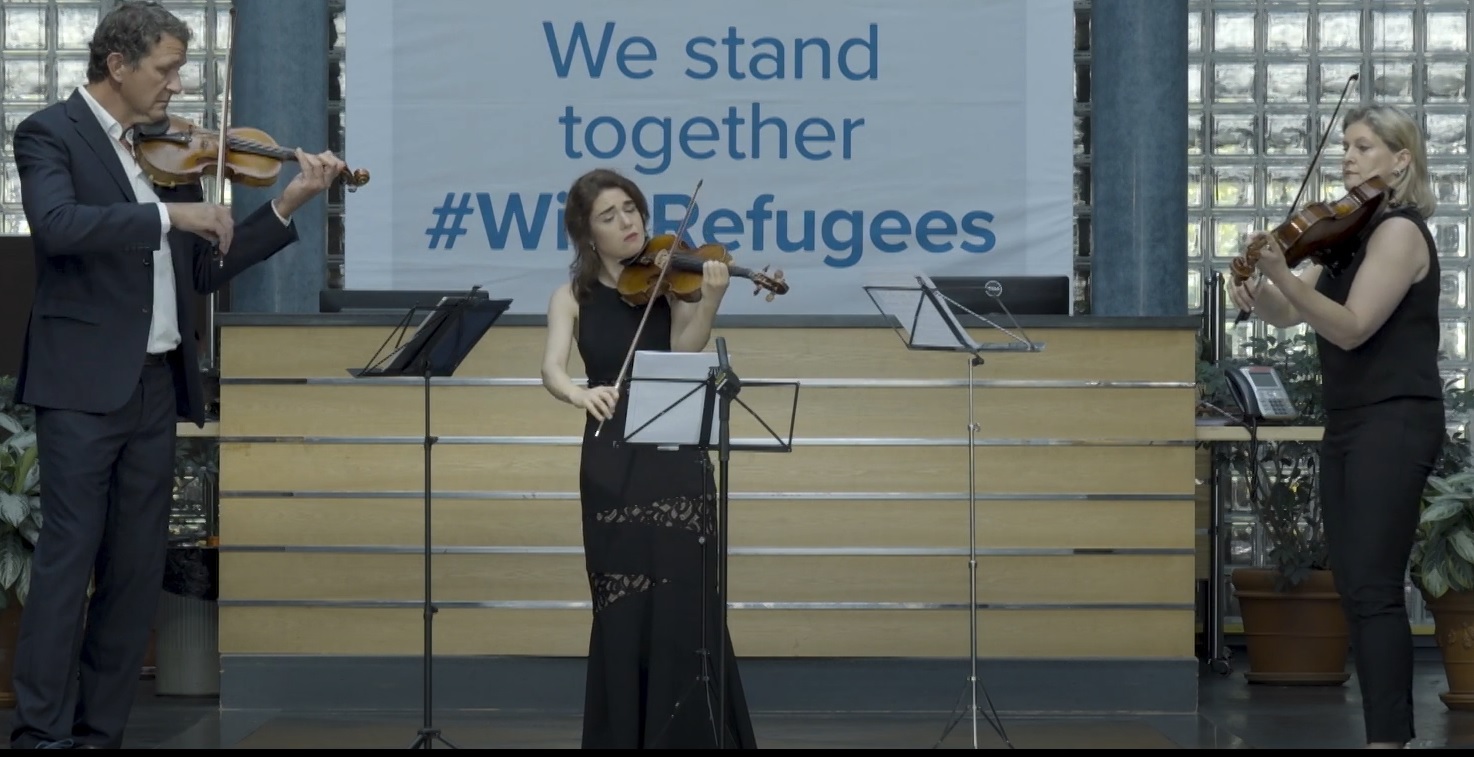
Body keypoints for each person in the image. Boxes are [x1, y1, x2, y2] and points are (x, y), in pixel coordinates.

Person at [8, 1, 346, 750]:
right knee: (67, 565)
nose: (176, 85)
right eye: (165, 69)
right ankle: (39, 735)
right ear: (117, 65)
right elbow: (58, 227)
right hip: (80, 388)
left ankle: (101, 733)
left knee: (133, 574)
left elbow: (205, 263)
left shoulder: (170, 152)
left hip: (155, 384)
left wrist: (286, 202)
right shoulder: (47, 134)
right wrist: (170, 219)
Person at [1229, 104, 1444, 750]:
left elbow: (1350, 326)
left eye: (1363, 146)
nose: (1347, 158)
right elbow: (1293, 316)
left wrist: (1280, 279)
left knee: (1375, 588)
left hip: (1397, 418)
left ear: (1400, 159)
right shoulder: (1346, 233)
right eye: (1345, 147)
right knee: (1353, 582)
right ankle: (1388, 734)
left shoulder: (1400, 233)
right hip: (1352, 422)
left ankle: (1390, 740)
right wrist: (1256, 287)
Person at [539, 168, 759, 749]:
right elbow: (552, 368)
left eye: (631, 208)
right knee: (624, 613)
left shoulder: (669, 281)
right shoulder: (571, 296)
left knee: (687, 608)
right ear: (587, 235)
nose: (627, 222)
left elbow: (685, 348)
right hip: (611, 464)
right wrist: (579, 393)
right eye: (609, 217)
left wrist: (709, 297)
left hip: (675, 457)